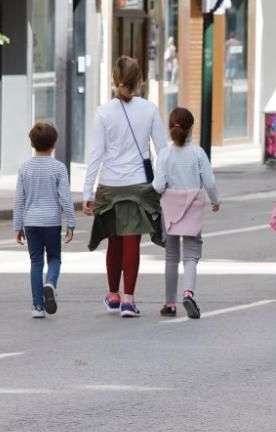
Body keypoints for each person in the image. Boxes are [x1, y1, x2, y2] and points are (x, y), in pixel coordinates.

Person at [84, 56, 168, 318]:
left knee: (114, 241)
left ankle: (113, 294)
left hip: (110, 185)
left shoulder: (103, 112)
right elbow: (163, 151)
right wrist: (164, 184)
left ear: (114, 80)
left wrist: (88, 192)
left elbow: (95, 155)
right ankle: (129, 300)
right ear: (139, 80)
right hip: (139, 186)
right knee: (132, 239)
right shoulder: (149, 109)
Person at [153, 107, 220, 319]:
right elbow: (209, 181)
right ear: (191, 129)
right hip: (193, 207)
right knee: (191, 256)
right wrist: (216, 200)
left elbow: (158, 185)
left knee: (171, 256)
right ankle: (188, 293)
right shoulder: (198, 153)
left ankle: (169, 303)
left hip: (170, 210)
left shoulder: (164, 154)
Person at [13, 122, 75, 319]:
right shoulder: (58, 168)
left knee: (36, 261)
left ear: (31, 142)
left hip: (31, 221)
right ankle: (50, 283)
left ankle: (37, 306)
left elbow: (19, 199)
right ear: (54, 143)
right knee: (55, 258)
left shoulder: (24, 168)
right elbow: (65, 197)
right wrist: (71, 222)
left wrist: (18, 225)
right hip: (52, 221)